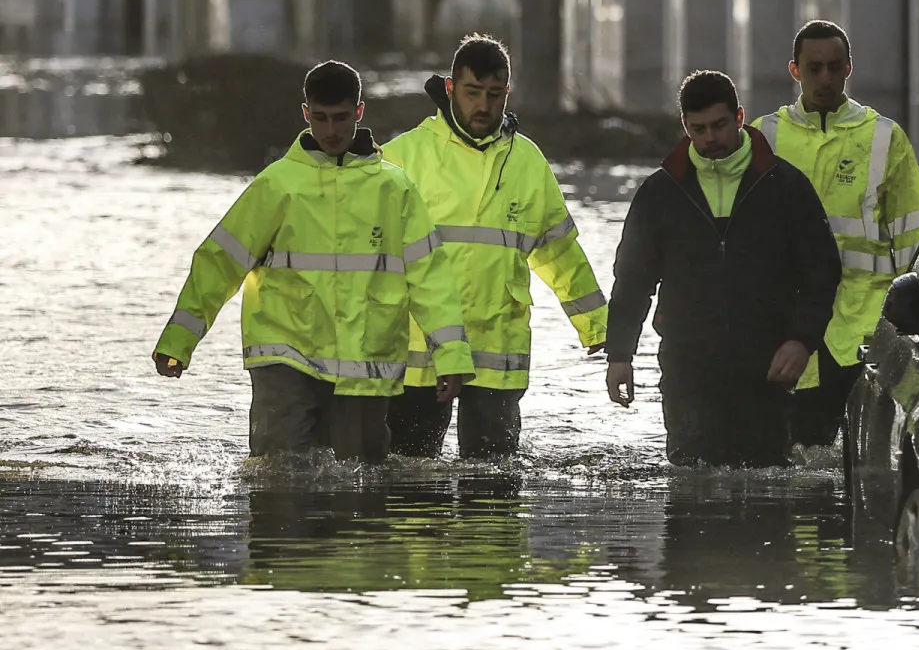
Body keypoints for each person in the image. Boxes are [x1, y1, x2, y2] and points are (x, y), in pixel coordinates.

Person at [151, 60, 476, 463]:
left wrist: (451, 355)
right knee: (280, 479)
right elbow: (219, 262)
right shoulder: (277, 185)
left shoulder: (395, 190)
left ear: (359, 112)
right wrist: (179, 342)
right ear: (306, 114)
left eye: (341, 118)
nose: (331, 130)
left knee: (362, 496)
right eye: (320, 118)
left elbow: (431, 279)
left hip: (365, 365)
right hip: (286, 360)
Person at [382, 34, 608, 459]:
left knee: (493, 493)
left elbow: (558, 251)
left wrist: (596, 324)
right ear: (450, 89)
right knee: (409, 494)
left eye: (494, 94)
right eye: (472, 93)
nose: (483, 106)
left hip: (496, 352)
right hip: (418, 351)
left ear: (508, 93)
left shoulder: (527, 162)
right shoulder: (402, 157)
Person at [604, 70, 841, 467]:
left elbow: (822, 272)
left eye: (718, 126)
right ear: (685, 127)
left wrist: (801, 340)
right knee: (690, 484)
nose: (709, 138)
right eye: (698, 129)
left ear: (740, 117)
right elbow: (632, 281)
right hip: (687, 367)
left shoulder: (785, 186)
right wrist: (620, 355)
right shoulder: (661, 193)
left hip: (767, 367)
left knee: (767, 490)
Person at [752, 21, 919, 448]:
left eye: (835, 67)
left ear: (849, 68)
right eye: (814, 68)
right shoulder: (763, 136)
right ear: (794, 71)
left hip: (864, 328)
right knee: (794, 456)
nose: (825, 79)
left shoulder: (884, 138)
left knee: (862, 461)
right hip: (789, 327)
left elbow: (915, 240)